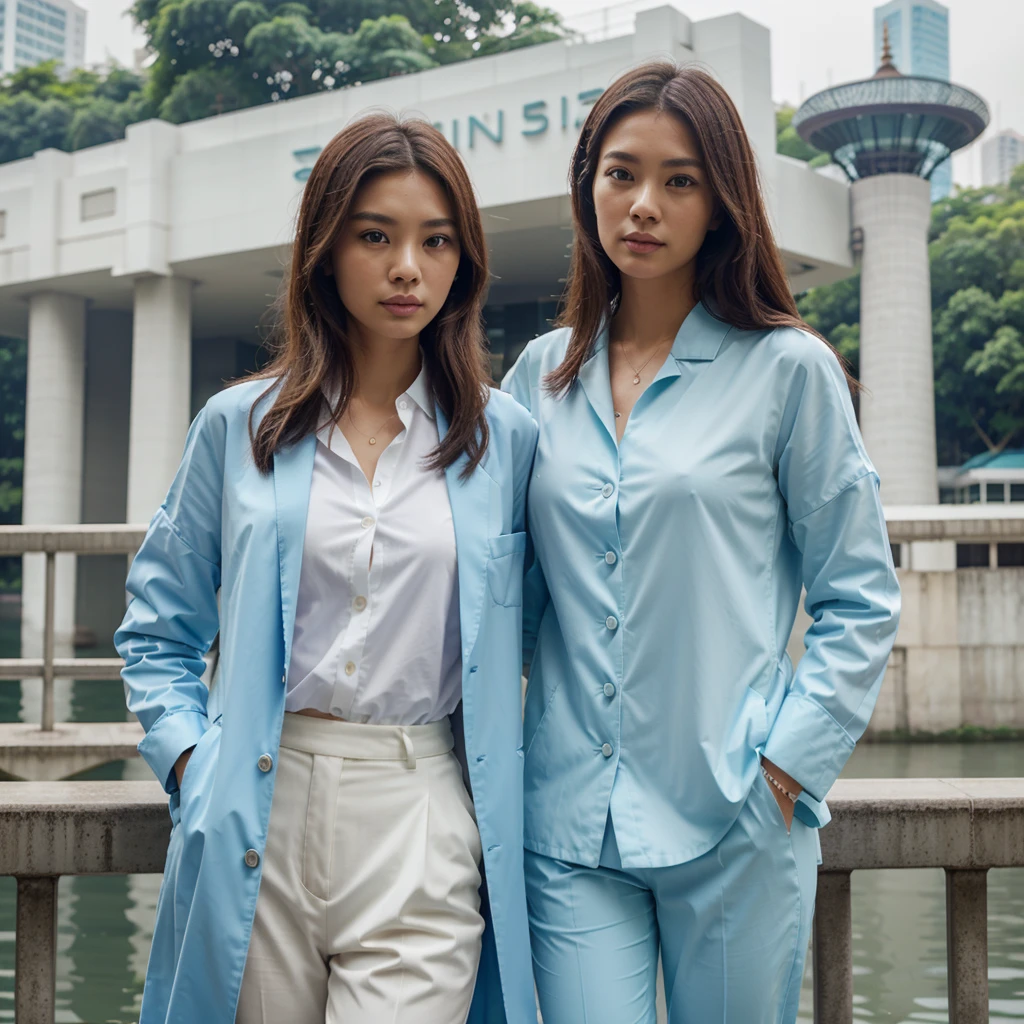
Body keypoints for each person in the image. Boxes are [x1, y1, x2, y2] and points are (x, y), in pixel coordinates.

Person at [116, 112, 538, 1024]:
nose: (407, 269)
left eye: (436, 241)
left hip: (417, 805)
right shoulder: (240, 425)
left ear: (463, 261)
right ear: (324, 247)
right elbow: (158, 627)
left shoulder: (505, 440)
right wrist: (192, 762)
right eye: (375, 236)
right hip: (259, 802)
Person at [502, 61, 901, 1024]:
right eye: (620, 172)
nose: (643, 205)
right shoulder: (537, 376)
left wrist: (785, 768)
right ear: (586, 183)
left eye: (679, 180)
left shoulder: (788, 372)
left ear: (721, 204)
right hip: (565, 823)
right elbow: (501, 595)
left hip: (733, 815)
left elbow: (860, 593)